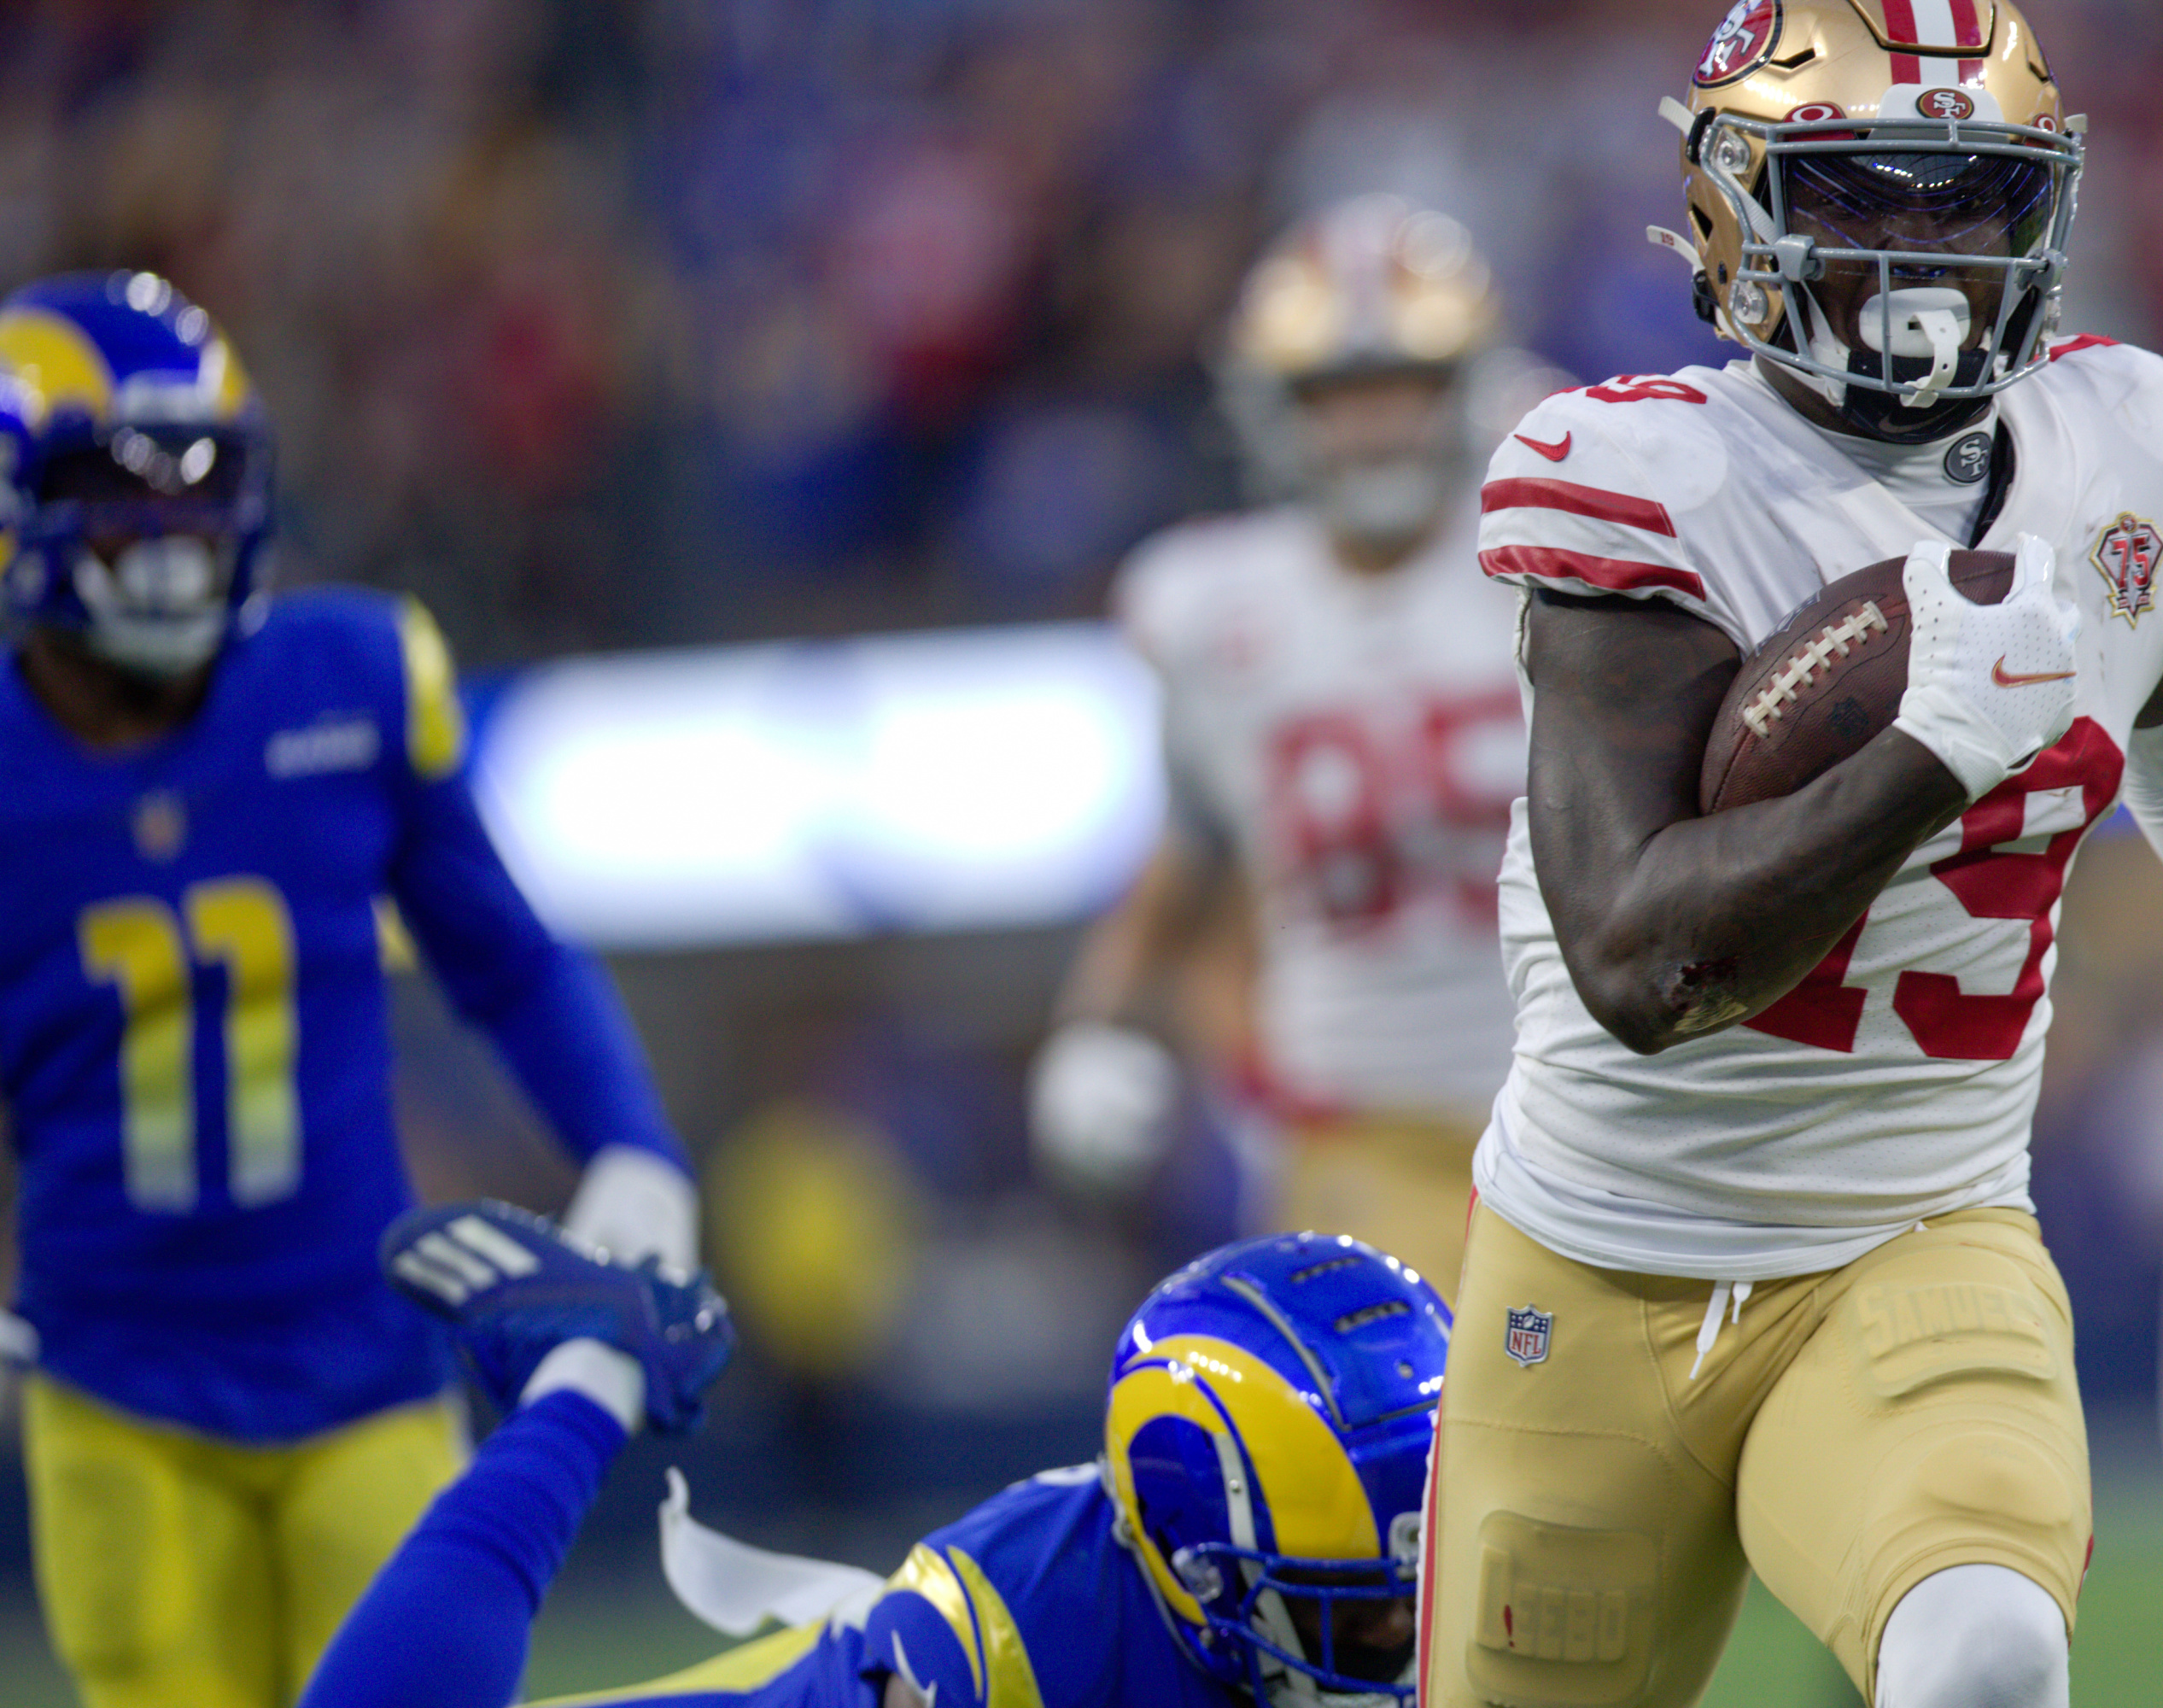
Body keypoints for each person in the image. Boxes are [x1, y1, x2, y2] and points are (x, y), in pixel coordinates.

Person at [1422, 4, 2163, 1705]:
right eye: (1866, 195)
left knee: (1983, 1656)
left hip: (1922, 1231)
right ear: (1733, 202)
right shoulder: (1643, 477)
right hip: (1597, 1252)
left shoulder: (2122, 444)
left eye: (1965, 199)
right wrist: (1927, 756)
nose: (1923, 249)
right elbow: (1637, 962)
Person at [0, 271, 701, 1708]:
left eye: (203, 487)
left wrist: (630, 1139)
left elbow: (506, 955)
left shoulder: (351, 681)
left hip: (361, 1367)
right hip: (114, 1386)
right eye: (118, 491)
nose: (172, 536)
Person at [307, 1212, 1447, 1708]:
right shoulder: (1018, 1638)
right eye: (1361, 1619)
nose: (1404, 1641)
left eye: (1415, 1592)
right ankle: (585, 1372)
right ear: (1206, 1579)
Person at [1029, 196, 1540, 1297]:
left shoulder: (1551, 558)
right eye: (1339, 396)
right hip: (1362, 1130)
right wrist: (1093, 1029)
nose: (1375, 428)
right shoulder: (1213, 611)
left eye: (1403, 388)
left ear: (1465, 391)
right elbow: (1188, 868)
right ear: (1276, 410)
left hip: (1594, 1115)